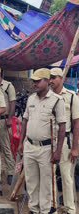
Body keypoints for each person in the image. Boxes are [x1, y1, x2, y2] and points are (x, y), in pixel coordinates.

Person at [18, 68, 66, 214]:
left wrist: (58, 151)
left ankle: (45, 211)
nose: (35, 83)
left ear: (46, 81)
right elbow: (25, 121)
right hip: (30, 146)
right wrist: (21, 143)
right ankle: (33, 209)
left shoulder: (57, 101)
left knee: (46, 182)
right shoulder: (31, 98)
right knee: (31, 182)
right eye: (34, 81)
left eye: (38, 81)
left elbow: (63, 126)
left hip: (47, 148)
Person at [50, 68, 79, 214]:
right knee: (50, 175)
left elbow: (76, 123)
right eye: (50, 77)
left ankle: (70, 208)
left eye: (54, 77)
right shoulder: (46, 96)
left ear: (61, 78)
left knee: (67, 177)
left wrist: (75, 148)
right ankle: (52, 206)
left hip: (66, 142)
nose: (51, 80)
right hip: (49, 142)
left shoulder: (71, 97)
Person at [0, 66, 16, 185]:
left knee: (6, 146)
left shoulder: (8, 86)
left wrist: (10, 118)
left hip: (4, 119)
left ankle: (10, 172)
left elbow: (12, 102)